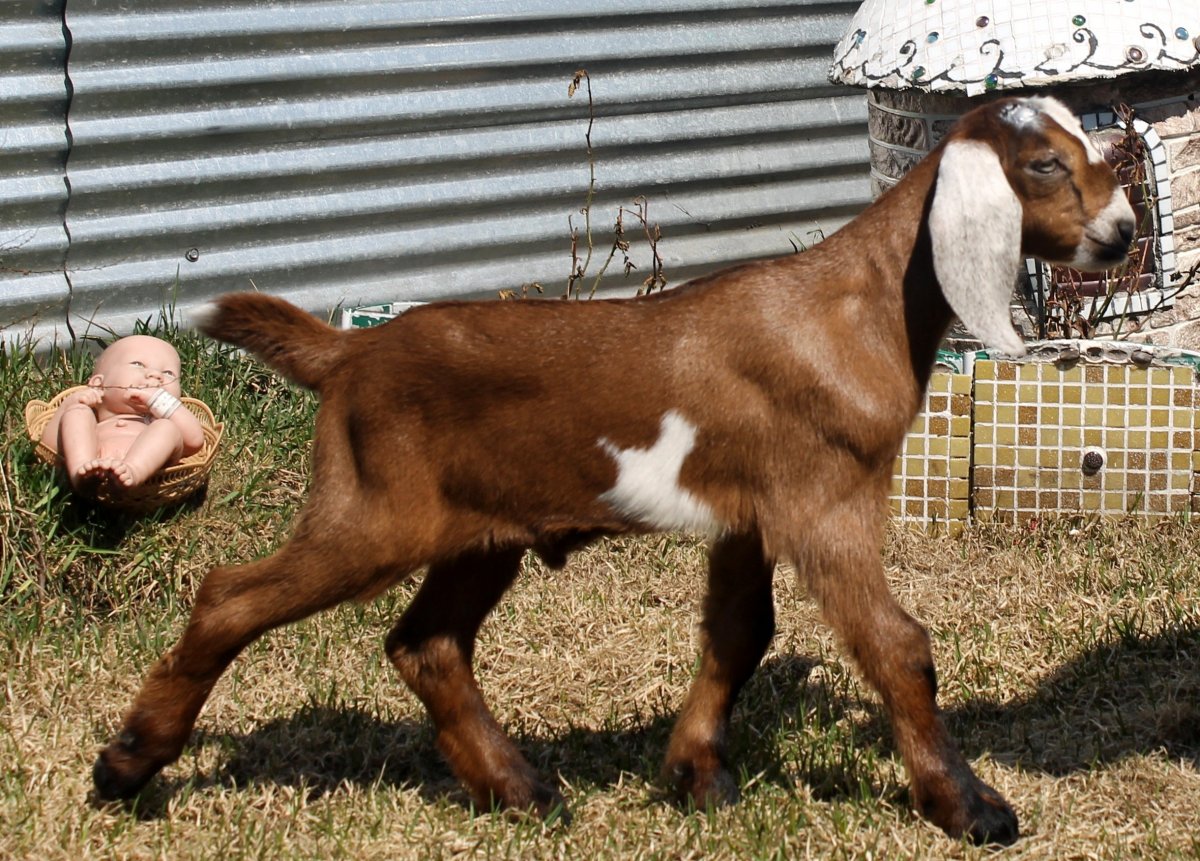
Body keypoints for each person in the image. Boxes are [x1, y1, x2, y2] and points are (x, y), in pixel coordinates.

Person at [40, 335, 206, 495]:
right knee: (77, 413)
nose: (156, 375)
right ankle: (81, 470)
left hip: (150, 466)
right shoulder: (93, 417)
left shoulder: (158, 420)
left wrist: (160, 401)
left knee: (167, 428)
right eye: (138, 364)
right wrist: (71, 404)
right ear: (99, 384)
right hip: (95, 458)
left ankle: (132, 471)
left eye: (169, 373)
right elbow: (49, 445)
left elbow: (195, 441)